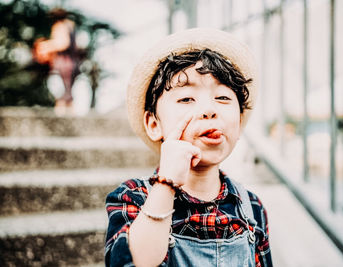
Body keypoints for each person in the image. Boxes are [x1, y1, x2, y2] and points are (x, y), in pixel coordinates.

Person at [105, 28, 273, 267]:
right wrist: (166, 183)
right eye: (186, 99)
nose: (209, 110)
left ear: (239, 120)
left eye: (223, 98)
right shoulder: (133, 197)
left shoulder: (251, 206)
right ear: (154, 124)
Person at [33, 8, 79, 115]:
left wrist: (45, 46)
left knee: (61, 91)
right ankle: (68, 115)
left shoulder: (60, 26)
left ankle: (61, 115)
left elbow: (63, 43)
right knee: (67, 91)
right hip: (72, 62)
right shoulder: (70, 26)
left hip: (63, 63)